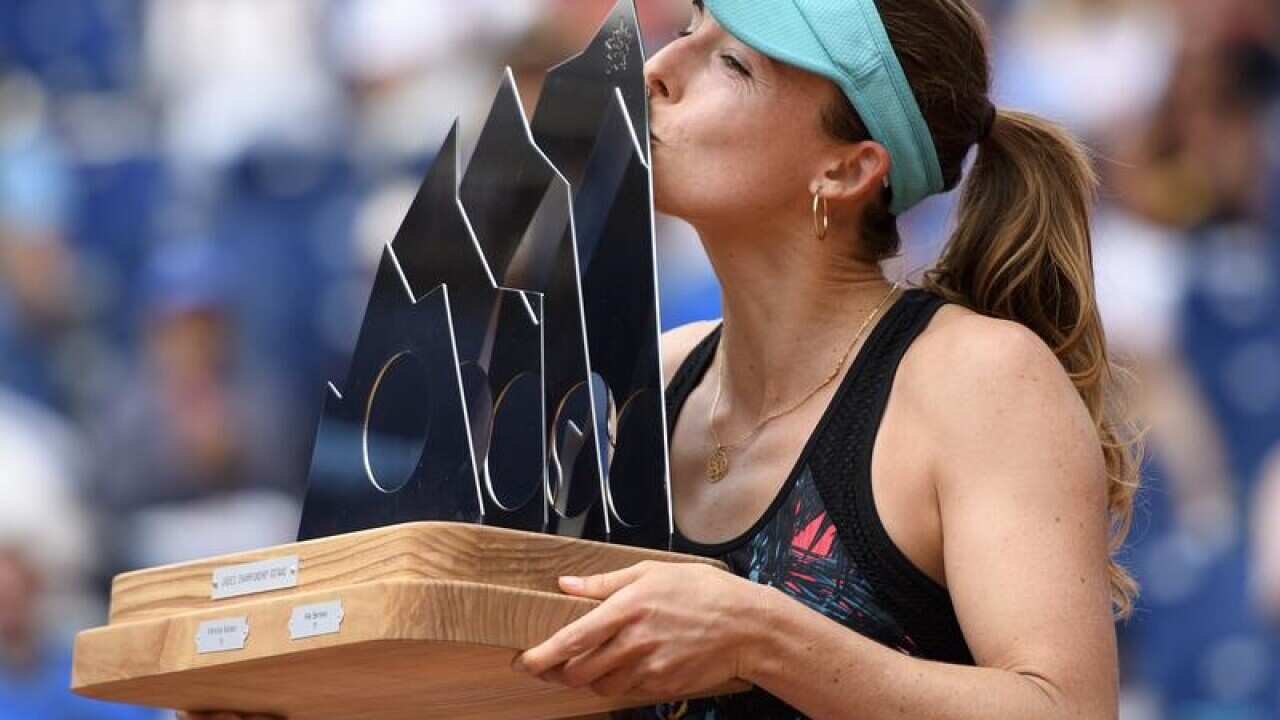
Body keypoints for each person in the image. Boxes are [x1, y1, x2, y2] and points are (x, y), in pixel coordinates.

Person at [181, 0, 1140, 718]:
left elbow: (1066, 709)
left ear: (848, 168)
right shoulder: (652, 371)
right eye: (683, 27)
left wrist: (762, 634)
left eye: (731, 62)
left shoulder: (980, 380)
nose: (657, 69)